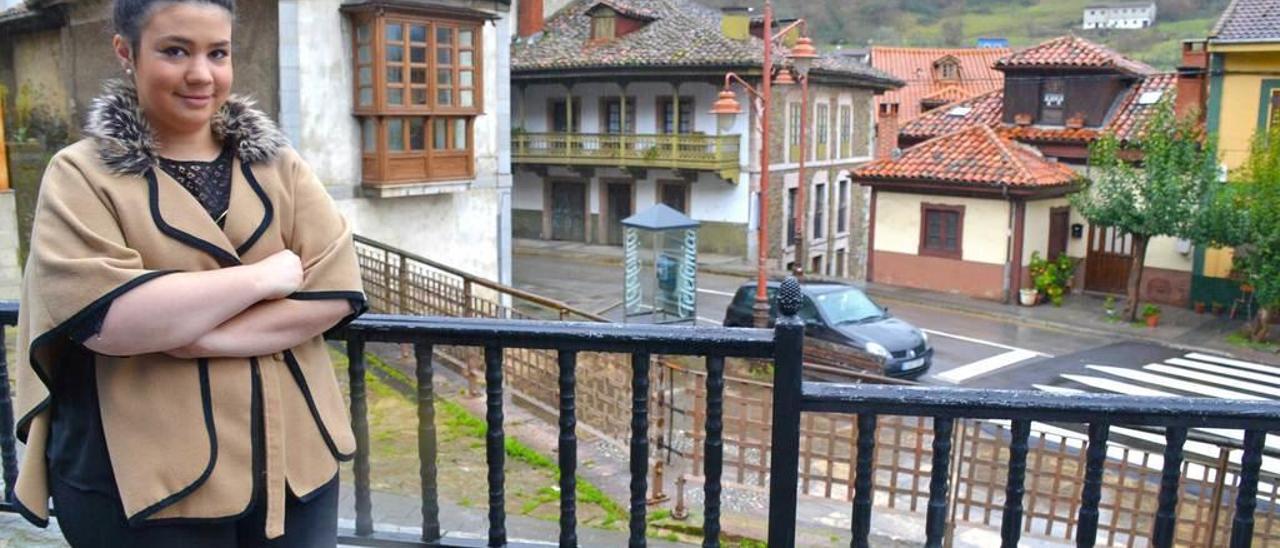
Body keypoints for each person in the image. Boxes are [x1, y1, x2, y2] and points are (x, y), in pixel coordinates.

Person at [12, 0, 367, 545]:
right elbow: (110, 320)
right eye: (175, 50)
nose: (201, 74)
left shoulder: (279, 166)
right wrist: (263, 279)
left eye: (217, 53)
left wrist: (194, 336)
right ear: (126, 52)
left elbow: (336, 291)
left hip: (294, 465)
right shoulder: (80, 174)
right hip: (139, 484)